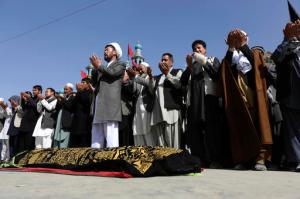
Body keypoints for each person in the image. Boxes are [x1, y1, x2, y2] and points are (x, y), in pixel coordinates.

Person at [220, 29, 272, 170]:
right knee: (240, 125)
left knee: (258, 124)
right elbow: (226, 68)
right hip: (238, 97)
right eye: (234, 39)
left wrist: (243, 46)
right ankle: (244, 159)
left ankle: (260, 159)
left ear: (246, 38)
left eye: (240, 38)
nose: (237, 40)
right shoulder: (232, 56)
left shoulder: (256, 52)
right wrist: (231, 48)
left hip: (255, 95)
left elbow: (261, 68)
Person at [181, 40, 222, 167]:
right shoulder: (192, 65)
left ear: (205, 49)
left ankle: (215, 160)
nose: (196, 50)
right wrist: (189, 67)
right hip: (195, 102)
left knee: (211, 130)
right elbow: (182, 82)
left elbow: (216, 73)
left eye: (199, 48)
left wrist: (202, 61)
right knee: (195, 131)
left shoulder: (212, 59)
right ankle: (199, 160)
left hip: (209, 99)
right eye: (194, 49)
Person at [271, 20, 300, 171]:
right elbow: (276, 57)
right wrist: (289, 39)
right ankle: (296, 160)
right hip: (291, 93)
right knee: (292, 130)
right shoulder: (286, 45)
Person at [89, 42, 126, 149]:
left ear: (115, 52)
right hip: (99, 103)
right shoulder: (102, 67)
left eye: (107, 49)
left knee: (111, 138)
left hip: (110, 105)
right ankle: (95, 160)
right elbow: (94, 80)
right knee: (96, 135)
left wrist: (99, 66)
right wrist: (95, 68)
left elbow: (112, 73)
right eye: (104, 50)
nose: (104, 51)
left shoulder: (121, 64)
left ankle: (112, 163)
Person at [150, 53, 183, 148]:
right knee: (161, 143)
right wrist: (150, 76)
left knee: (173, 141)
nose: (163, 62)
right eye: (162, 60)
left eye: (166, 60)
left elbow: (178, 84)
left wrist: (167, 74)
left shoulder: (177, 72)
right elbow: (151, 90)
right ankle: (163, 161)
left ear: (171, 63)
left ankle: (174, 161)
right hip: (158, 113)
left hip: (171, 111)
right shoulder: (158, 77)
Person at [127, 62, 155, 146]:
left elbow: (150, 85)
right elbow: (133, 90)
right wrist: (131, 77)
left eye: (141, 68)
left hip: (146, 110)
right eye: (138, 68)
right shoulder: (138, 79)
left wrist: (135, 76)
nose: (139, 70)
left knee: (147, 132)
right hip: (137, 110)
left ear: (147, 69)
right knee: (137, 131)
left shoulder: (151, 78)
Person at [70, 78, 93, 147]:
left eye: (83, 82)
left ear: (88, 84)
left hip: (85, 122)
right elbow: (72, 106)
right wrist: (79, 92)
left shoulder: (90, 92)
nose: (81, 84)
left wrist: (81, 91)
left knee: (83, 143)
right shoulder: (79, 92)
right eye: (81, 82)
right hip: (76, 121)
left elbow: (86, 103)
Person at [18, 86, 42, 152]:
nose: (33, 91)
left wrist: (29, 97)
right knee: (22, 144)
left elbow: (36, 107)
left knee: (29, 144)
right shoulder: (32, 98)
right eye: (33, 90)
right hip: (24, 125)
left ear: (39, 91)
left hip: (32, 125)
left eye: (35, 90)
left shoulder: (40, 99)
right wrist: (22, 98)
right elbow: (24, 108)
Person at [53, 83, 75, 148]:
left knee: (64, 141)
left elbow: (70, 107)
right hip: (59, 121)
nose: (65, 91)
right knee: (57, 141)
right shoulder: (64, 98)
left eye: (66, 89)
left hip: (66, 122)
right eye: (64, 89)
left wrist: (63, 99)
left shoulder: (73, 97)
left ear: (71, 90)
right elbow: (57, 108)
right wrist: (58, 100)